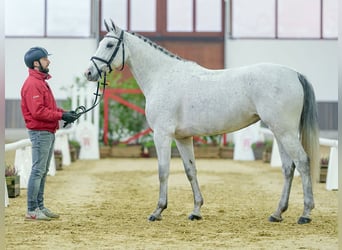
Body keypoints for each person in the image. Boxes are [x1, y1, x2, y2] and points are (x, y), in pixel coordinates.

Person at [21, 47, 79, 220]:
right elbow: (38, 112)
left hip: (47, 131)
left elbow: (49, 108)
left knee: (43, 170)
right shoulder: (33, 84)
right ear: (36, 63)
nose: (49, 61)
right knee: (38, 170)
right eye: (45, 59)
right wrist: (61, 115)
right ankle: (32, 210)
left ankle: (39, 206)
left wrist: (65, 112)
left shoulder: (41, 82)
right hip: (40, 132)